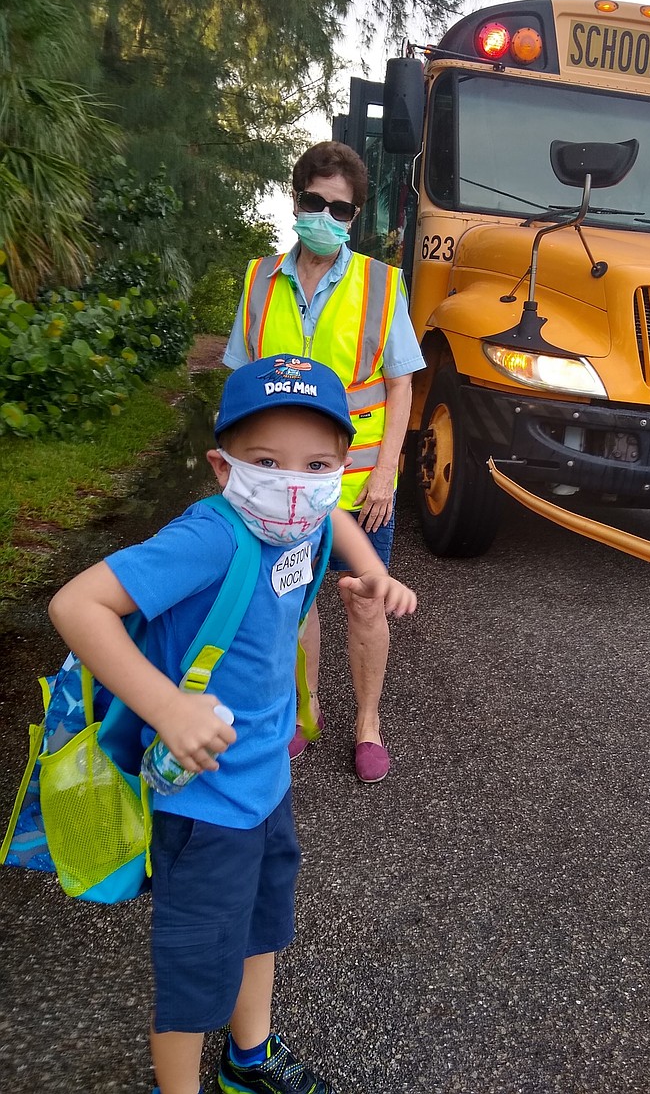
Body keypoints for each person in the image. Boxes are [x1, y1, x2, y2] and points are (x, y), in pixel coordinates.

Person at [47, 354, 417, 1094]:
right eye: (265, 460)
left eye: (315, 463)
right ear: (223, 467)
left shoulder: (307, 514)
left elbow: (332, 514)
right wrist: (168, 707)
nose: (292, 480)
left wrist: (367, 569)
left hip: (264, 781)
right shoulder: (211, 537)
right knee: (194, 968)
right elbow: (75, 605)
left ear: (340, 467)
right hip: (204, 797)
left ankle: (249, 1058)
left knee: (260, 925)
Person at [223, 140, 425, 784]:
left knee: (363, 600)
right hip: (276, 487)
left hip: (359, 485)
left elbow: (401, 385)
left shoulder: (380, 284)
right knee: (293, 605)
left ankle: (367, 725)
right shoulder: (259, 281)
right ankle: (300, 717)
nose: (325, 217)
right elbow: (237, 386)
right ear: (297, 201)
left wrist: (389, 472)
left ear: (354, 216)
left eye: (340, 209)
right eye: (315, 202)